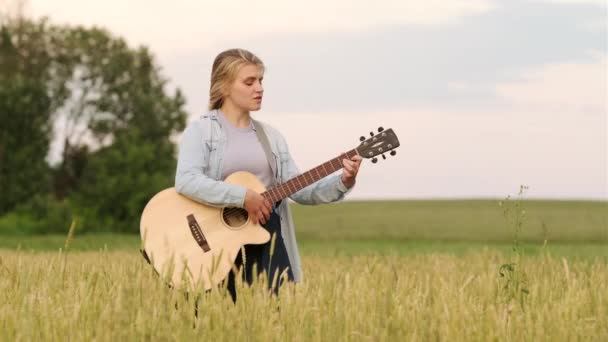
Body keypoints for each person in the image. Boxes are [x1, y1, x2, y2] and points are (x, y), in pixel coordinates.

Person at [174, 48, 362, 301]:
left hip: (267, 239)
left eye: (261, 80)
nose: (259, 88)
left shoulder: (271, 138)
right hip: (217, 244)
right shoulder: (202, 131)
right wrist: (243, 197)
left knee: (277, 316)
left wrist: (343, 180)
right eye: (249, 82)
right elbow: (186, 180)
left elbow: (299, 190)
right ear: (224, 87)